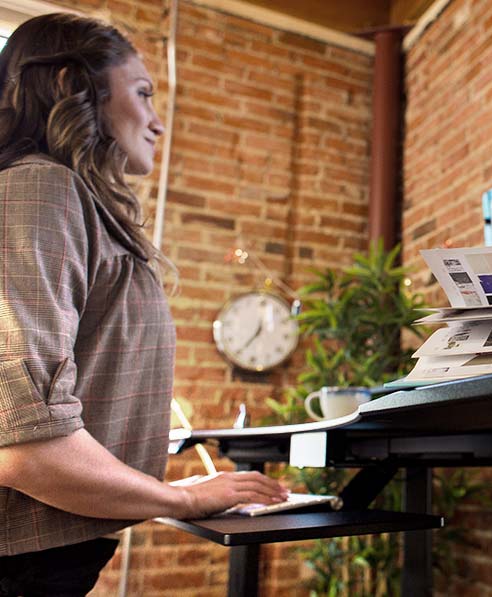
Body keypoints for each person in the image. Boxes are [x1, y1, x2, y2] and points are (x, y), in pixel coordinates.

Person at [0, 13, 288, 596]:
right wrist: (180, 499)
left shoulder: (72, 198)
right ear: (72, 86)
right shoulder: (40, 186)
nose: (158, 122)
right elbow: (25, 447)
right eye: (143, 93)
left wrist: (165, 494)